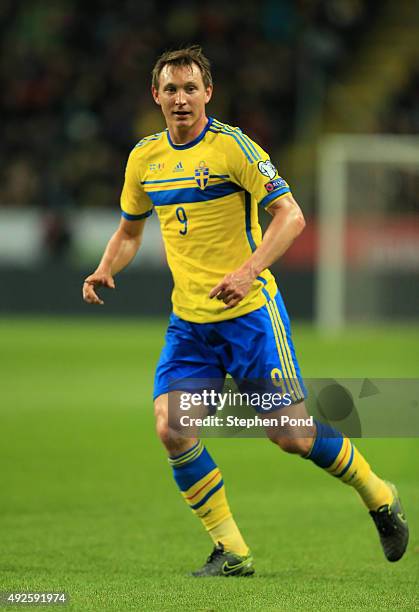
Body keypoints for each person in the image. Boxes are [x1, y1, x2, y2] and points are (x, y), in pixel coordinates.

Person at [83, 46, 409, 576]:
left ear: (207, 93)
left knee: (291, 436)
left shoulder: (233, 148)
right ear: (156, 96)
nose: (181, 99)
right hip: (190, 323)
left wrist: (247, 271)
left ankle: (378, 494)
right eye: (171, 89)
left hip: (251, 318)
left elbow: (291, 216)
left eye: (191, 89)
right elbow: (129, 230)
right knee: (172, 427)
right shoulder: (145, 158)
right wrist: (106, 267)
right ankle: (231, 550)